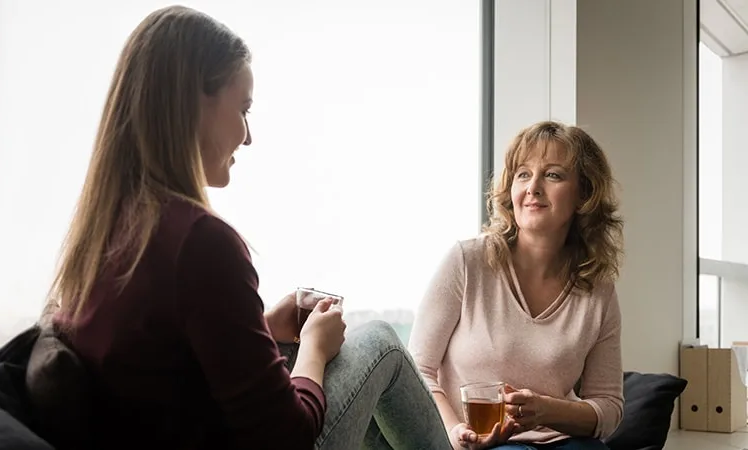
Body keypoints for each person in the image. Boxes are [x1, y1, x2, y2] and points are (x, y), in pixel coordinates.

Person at [44, 5, 451, 450]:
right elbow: (286, 438)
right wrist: (313, 347)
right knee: (379, 344)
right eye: (243, 109)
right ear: (192, 105)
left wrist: (258, 326)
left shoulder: (105, 233)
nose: (248, 135)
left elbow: (166, 362)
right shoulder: (200, 242)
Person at [408, 121, 625, 450]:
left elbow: (608, 407)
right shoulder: (467, 261)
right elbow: (419, 370)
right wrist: (455, 433)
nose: (533, 188)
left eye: (553, 175)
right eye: (523, 174)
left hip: (565, 443)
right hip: (477, 444)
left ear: (584, 193)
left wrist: (547, 411)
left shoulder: (598, 289)